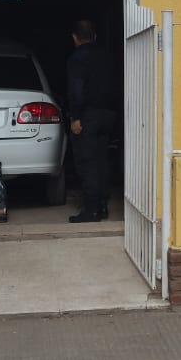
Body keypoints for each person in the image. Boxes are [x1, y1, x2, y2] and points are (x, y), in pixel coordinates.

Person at [65, 19, 115, 223]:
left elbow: (77, 90)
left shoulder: (77, 59)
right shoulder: (107, 56)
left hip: (89, 116)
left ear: (75, 38)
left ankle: (91, 210)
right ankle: (102, 206)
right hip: (109, 114)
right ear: (94, 36)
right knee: (103, 160)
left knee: (88, 163)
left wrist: (75, 117)